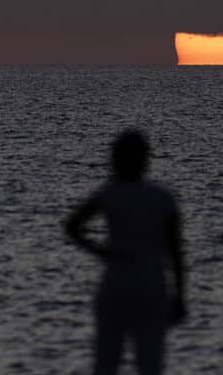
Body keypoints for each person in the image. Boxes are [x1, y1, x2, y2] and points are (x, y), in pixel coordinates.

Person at [64, 129, 186, 375]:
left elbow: (72, 226)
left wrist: (100, 251)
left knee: (106, 363)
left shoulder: (109, 193)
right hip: (151, 285)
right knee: (150, 364)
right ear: (145, 160)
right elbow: (175, 252)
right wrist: (181, 294)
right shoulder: (162, 199)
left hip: (116, 283)